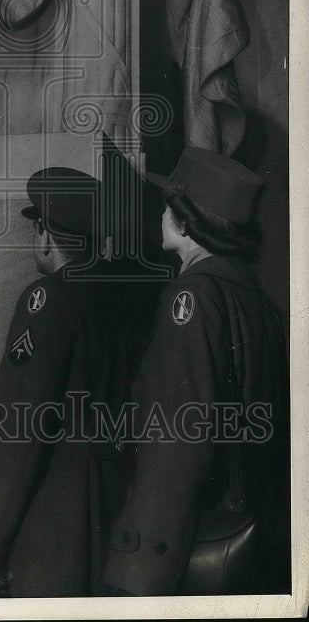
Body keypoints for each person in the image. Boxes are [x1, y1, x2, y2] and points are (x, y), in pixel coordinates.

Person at [104, 146, 288, 596]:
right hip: (253, 528)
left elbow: (178, 442)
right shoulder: (257, 299)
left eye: (170, 202)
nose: (163, 211)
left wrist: (138, 568)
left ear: (186, 221)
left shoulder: (191, 297)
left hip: (190, 540)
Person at [0, 166, 143, 597]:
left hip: (52, 523)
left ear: (43, 231)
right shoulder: (125, 298)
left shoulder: (50, 299)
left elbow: (18, 431)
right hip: (113, 515)